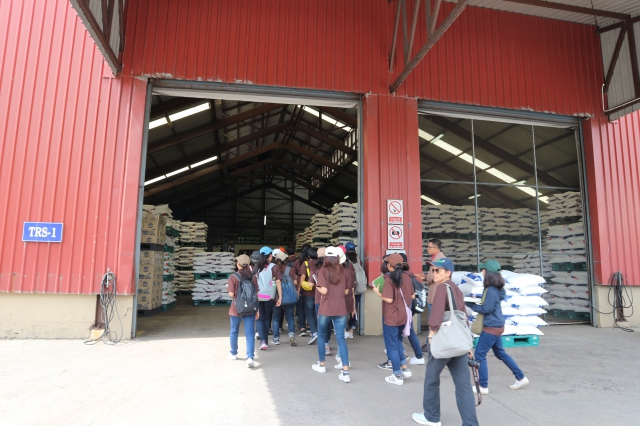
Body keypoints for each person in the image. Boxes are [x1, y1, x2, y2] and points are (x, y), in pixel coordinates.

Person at [412, 257, 478, 426]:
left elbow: (436, 315)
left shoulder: (442, 288)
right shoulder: (456, 289)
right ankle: (470, 423)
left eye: (438, 270)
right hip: (459, 343)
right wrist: (468, 344)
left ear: (448, 272)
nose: (434, 273)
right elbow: (463, 316)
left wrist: (431, 335)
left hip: (443, 342)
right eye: (433, 270)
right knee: (463, 384)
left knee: (431, 379)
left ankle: (431, 417)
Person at [470, 260, 529, 394]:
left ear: (487, 272)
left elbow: (487, 308)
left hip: (491, 327)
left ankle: (483, 386)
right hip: (497, 325)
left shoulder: (491, 290)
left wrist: (472, 305)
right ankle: (520, 377)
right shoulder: (497, 289)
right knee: (500, 353)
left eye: (483, 269)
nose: (481, 271)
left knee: (479, 354)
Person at [372, 253, 414, 385]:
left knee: (392, 346)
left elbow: (389, 299)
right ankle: (404, 368)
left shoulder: (389, 279)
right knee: (397, 342)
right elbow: (412, 296)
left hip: (392, 316)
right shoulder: (407, 277)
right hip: (404, 315)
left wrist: (377, 292)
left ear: (390, 265)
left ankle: (397, 375)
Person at [312, 247, 351, 383]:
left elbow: (324, 290)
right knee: (341, 338)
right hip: (341, 308)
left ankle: (322, 365)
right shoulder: (344, 271)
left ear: (326, 258)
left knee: (322, 336)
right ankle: (345, 372)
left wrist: (317, 285)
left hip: (326, 308)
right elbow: (346, 292)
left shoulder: (323, 270)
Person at [227, 254, 259, 368]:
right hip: (250, 309)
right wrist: (257, 309)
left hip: (236, 309)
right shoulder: (253, 277)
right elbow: (256, 294)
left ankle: (233, 353)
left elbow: (231, 294)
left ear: (238, 264)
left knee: (234, 331)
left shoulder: (233, 277)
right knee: (250, 333)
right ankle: (250, 357)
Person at [399, 253, 425, 366]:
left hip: (408, 305)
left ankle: (418, 356)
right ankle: (400, 350)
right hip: (412, 305)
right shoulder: (409, 273)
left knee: (407, 329)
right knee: (405, 328)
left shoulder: (403, 276)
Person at [254, 246, 282, 351]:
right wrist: (280, 297)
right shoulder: (274, 267)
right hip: (270, 296)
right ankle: (265, 340)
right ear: (270, 255)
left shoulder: (255, 267)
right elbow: (278, 282)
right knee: (267, 318)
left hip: (258, 296)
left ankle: (263, 341)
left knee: (259, 318)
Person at [272, 251, 299, 346]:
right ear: (285, 261)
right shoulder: (290, 269)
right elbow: (295, 282)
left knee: (276, 318)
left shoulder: (273, 269)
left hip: (276, 297)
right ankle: (292, 337)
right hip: (289, 297)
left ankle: (276, 339)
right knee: (290, 317)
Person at [313, 247, 333, 355]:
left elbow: (311, 283)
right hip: (332, 299)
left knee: (321, 323)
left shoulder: (316, 269)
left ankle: (324, 346)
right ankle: (327, 343)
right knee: (329, 323)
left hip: (319, 298)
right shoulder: (333, 268)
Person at [299, 247, 319, 344]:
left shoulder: (306, 263)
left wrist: (299, 289)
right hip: (319, 292)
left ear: (309, 255)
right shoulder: (321, 264)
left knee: (309, 313)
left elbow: (302, 277)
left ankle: (314, 332)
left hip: (308, 292)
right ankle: (315, 332)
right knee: (316, 313)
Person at [345, 242, 361, 338]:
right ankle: (351, 330)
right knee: (354, 309)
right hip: (357, 288)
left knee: (345, 309)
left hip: (348, 288)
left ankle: (344, 329)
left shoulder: (345, 261)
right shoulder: (358, 260)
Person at [292, 245, 309, 337]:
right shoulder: (313, 262)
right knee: (310, 309)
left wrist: (297, 285)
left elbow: (293, 274)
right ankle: (310, 326)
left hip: (300, 288)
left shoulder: (297, 262)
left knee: (300, 308)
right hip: (312, 289)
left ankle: (302, 328)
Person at [425, 238, 446, 310]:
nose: (427, 249)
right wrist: (425, 277)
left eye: (429, 247)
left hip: (435, 295)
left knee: (434, 316)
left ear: (436, 248)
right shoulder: (441, 259)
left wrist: (427, 278)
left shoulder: (438, 260)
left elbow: (432, 277)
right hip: (439, 294)